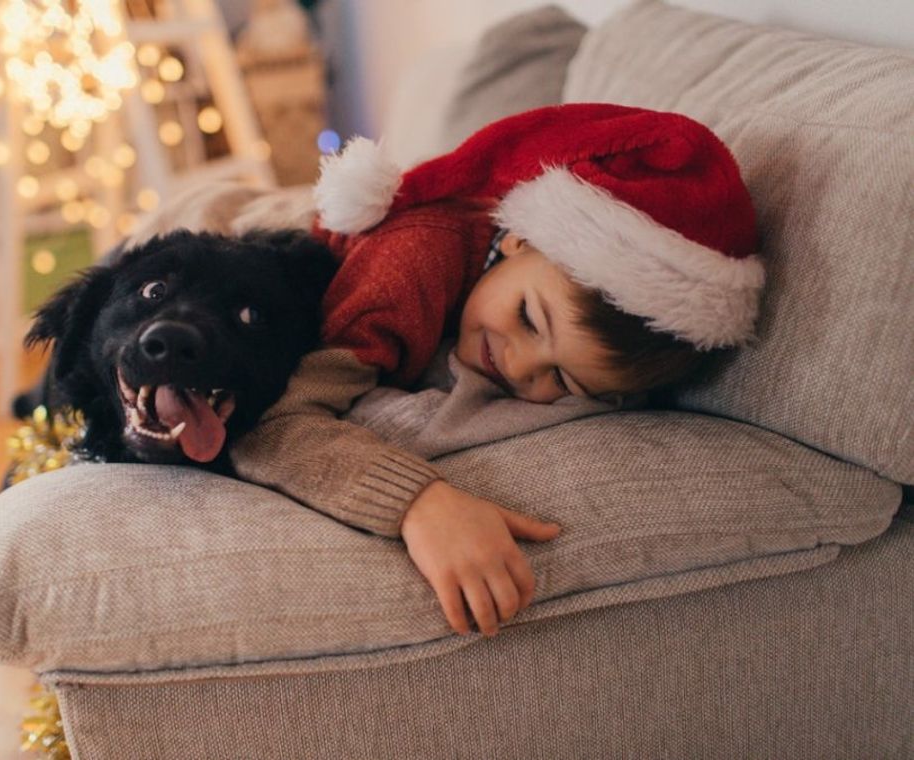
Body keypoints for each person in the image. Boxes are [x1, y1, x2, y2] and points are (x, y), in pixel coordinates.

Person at [229, 103, 765, 638]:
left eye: (563, 382)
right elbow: (273, 424)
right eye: (529, 319)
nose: (519, 366)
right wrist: (420, 503)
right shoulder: (410, 267)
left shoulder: (553, 317)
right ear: (519, 240)